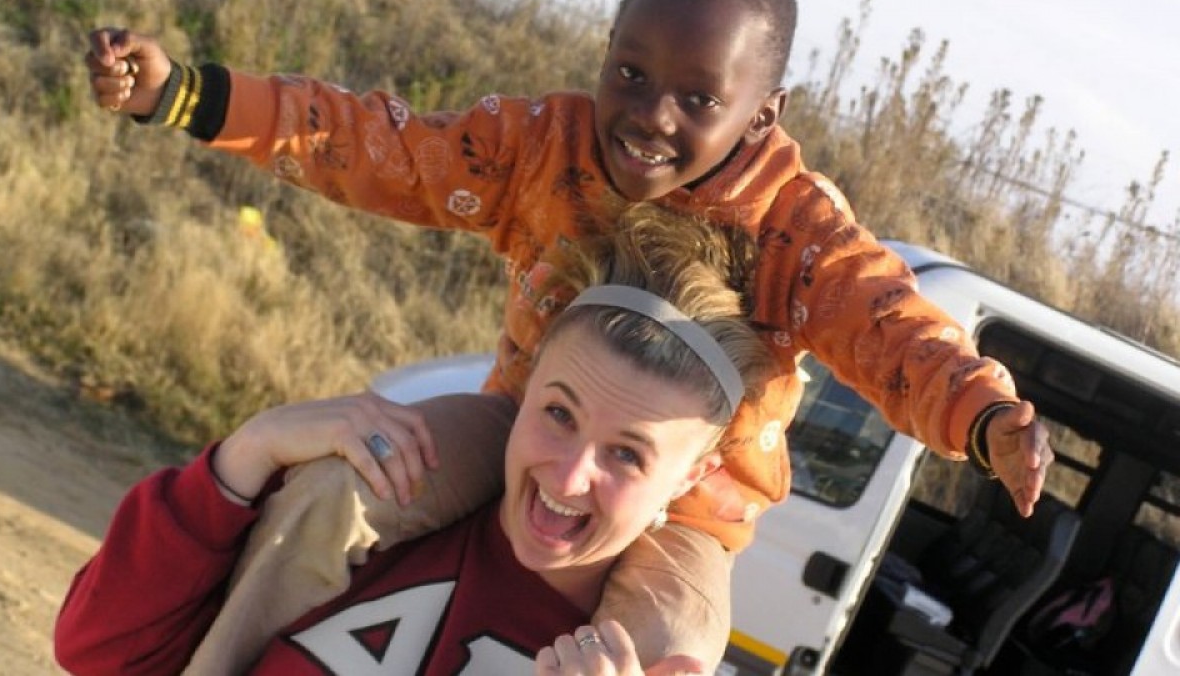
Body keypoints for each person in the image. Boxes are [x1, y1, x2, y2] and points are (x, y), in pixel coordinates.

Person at [82, 0, 1054, 669]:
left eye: (699, 98)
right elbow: (380, 148)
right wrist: (193, 97)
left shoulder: (800, 231)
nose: (650, 116)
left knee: (669, 653)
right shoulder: (539, 146)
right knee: (343, 485)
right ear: (606, 53)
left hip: (692, 515)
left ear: (765, 113)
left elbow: (895, 329)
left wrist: (983, 414)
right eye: (630, 74)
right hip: (520, 423)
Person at [55, 204, 774, 675]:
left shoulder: (624, 662)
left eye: (627, 453)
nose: (569, 473)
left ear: (689, 477)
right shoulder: (361, 524)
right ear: (524, 395)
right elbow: (96, 650)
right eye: (559, 414)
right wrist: (251, 451)